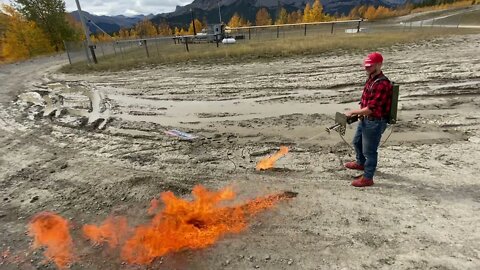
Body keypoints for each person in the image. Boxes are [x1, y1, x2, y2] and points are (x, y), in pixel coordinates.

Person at [344, 52, 393, 187]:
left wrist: (354, 112)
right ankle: (360, 163)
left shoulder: (382, 84)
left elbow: (372, 108)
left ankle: (368, 177)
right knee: (356, 142)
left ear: (379, 64)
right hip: (365, 118)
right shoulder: (371, 78)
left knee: (369, 151)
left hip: (375, 121)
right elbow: (366, 102)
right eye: (366, 66)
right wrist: (360, 113)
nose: (366, 68)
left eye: (369, 66)